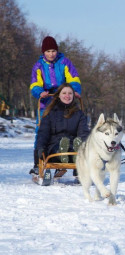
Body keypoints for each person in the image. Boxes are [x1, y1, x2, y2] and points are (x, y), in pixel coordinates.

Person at [29, 36, 82, 174]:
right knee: (42, 131)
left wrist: (74, 90)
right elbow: (35, 84)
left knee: (68, 128)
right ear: (43, 52)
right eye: (48, 51)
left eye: (53, 51)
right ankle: (38, 162)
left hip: (63, 99)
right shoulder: (38, 66)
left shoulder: (64, 62)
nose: (51, 54)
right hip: (46, 101)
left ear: (57, 51)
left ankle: (67, 157)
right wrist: (40, 92)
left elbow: (74, 78)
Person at [36, 83, 89, 179]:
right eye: (64, 93)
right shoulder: (50, 113)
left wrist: (86, 146)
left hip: (73, 144)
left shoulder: (79, 114)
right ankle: (64, 153)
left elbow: (84, 133)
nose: (67, 96)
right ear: (58, 95)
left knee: (79, 144)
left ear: (73, 96)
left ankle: (76, 155)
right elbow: (43, 133)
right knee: (59, 147)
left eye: (70, 93)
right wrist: (40, 148)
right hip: (54, 145)